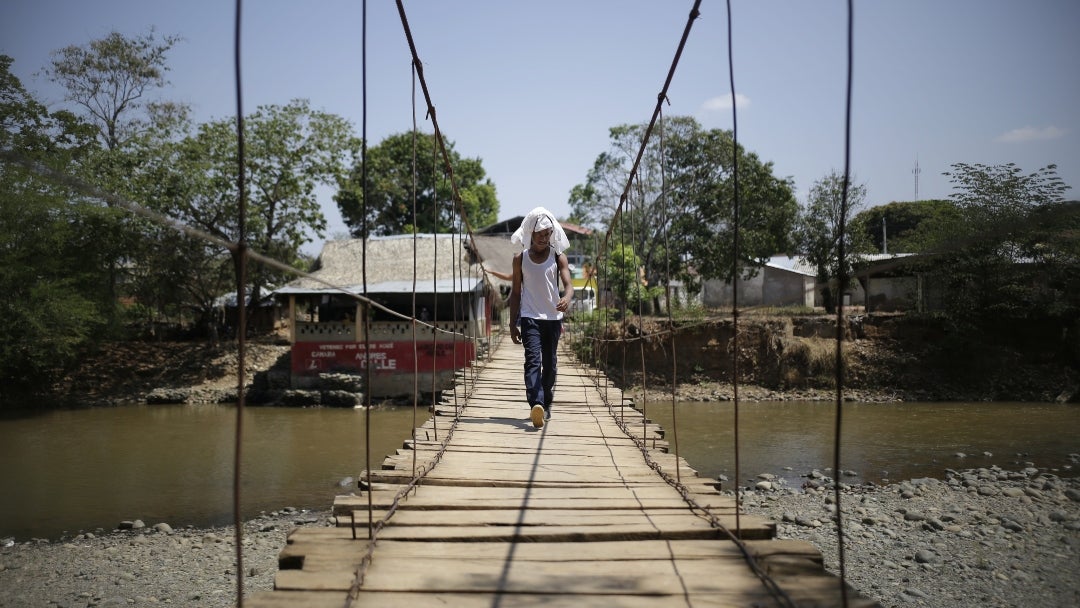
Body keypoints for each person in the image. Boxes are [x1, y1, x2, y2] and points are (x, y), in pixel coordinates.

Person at [508, 207, 573, 429]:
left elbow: (569, 285)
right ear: (531, 234)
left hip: (553, 318)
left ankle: (545, 402)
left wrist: (567, 297)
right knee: (533, 360)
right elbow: (515, 293)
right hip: (529, 317)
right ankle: (536, 403)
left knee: (551, 364)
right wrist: (511, 323)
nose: (545, 238)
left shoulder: (558, 256)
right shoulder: (520, 259)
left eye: (548, 234)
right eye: (540, 234)